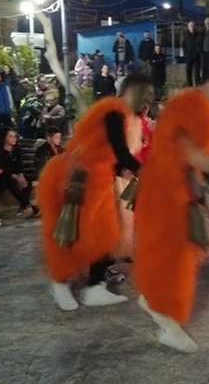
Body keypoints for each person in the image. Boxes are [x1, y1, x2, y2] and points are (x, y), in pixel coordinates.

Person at [132, 58, 209, 352]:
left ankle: (157, 305)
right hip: (165, 192)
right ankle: (164, 318)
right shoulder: (189, 105)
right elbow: (192, 155)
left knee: (177, 255)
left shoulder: (203, 108)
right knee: (172, 257)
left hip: (178, 192)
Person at [38, 72, 152, 311]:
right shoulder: (113, 111)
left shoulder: (122, 114)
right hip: (76, 179)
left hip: (97, 179)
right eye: (144, 95)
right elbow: (121, 153)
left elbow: (112, 155)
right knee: (71, 232)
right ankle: (60, 282)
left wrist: (128, 171)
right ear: (132, 91)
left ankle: (95, 286)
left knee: (104, 233)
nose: (146, 101)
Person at [0, 127, 39, 218]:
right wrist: (16, 177)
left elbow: (20, 165)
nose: (14, 138)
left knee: (27, 180)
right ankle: (27, 205)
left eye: (15, 136)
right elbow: (0, 168)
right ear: (3, 138)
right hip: (1, 174)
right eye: (11, 136)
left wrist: (21, 176)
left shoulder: (17, 150)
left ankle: (22, 207)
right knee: (10, 182)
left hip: (15, 174)